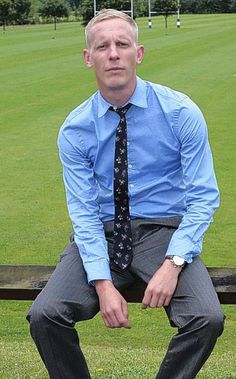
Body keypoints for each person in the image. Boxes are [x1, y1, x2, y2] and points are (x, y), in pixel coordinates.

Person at [27, 9, 224, 379]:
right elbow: (83, 211)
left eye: (122, 44)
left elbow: (202, 197)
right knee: (44, 315)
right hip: (101, 233)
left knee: (206, 318)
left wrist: (174, 263)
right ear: (89, 58)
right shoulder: (76, 128)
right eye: (102, 46)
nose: (113, 53)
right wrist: (101, 282)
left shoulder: (180, 112)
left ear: (139, 52)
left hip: (163, 232)